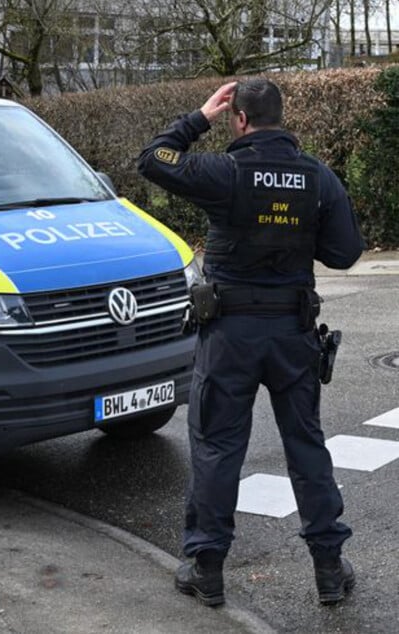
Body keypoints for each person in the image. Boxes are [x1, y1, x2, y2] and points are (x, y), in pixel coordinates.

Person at [137, 79, 365, 607]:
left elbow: (153, 159)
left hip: (230, 336)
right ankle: (329, 569)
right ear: (281, 118)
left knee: (218, 449)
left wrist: (199, 116)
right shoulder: (317, 178)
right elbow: (345, 252)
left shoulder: (225, 172)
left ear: (238, 119)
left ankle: (207, 569)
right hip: (293, 334)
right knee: (306, 448)